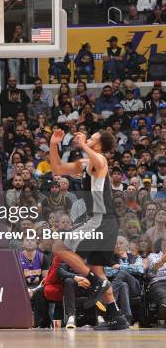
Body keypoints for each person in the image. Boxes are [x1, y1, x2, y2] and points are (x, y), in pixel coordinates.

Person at [50, 128, 129, 330]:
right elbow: (58, 168)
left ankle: (95, 283)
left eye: (92, 138)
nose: (86, 138)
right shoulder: (86, 164)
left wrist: (84, 144)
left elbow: (101, 162)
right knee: (97, 270)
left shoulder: (99, 160)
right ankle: (116, 316)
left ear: (99, 145)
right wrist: (53, 145)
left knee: (59, 247)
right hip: (103, 221)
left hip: (101, 220)